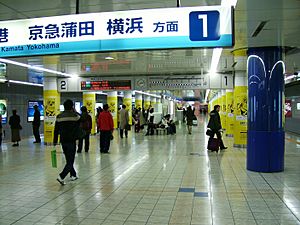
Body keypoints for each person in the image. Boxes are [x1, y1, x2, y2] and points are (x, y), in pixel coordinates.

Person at [53, 99, 81, 185]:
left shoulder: (59, 116)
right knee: (70, 161)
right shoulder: (75, 116)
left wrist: (54, 140)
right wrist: (75, 111)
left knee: (68, 159)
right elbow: (82, 118)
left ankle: (73, 174)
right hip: (71, 141)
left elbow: (56, 129)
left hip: (63, 141)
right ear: (72, 106)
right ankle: (61, 176)